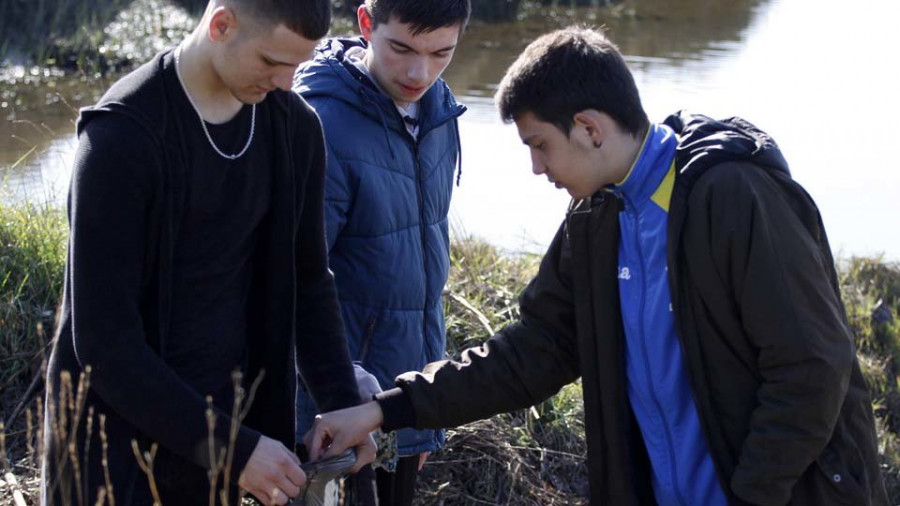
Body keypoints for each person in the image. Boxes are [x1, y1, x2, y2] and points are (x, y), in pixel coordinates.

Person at [302, 26, 888, 505]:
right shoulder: (597, 219)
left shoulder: (734, 195)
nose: (537, 168)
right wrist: (386, 410)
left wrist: (754, 496)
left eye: (539, 145)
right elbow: (531, 353)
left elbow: (812, 369)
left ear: (588, 128)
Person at [40, 1, 375, 505]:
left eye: (298, 66)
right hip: (115, 448)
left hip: (228, 435)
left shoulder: (294, 127)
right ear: (221, 24)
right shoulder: (121, 137)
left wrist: (343, 405)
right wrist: (232, 451)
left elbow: (309, 281)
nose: (285, 83)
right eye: (270, 61)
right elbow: (105, 345)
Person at [291, 0, 469, 504]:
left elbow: (424, 265)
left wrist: (422, 416)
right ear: (366, 23)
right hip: (330, 411)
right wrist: (337, 393)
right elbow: (286, 282)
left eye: (442, 53)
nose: (420, 72)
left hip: (405, 396)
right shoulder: (320, 122)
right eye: (402, 48)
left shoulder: (440, 109)